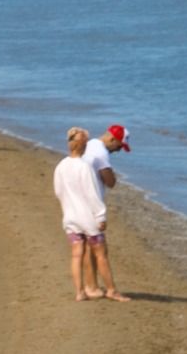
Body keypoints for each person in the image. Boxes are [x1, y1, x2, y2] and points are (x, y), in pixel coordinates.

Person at [54, 127, 113, 301]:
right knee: (101, 253)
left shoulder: (61, 165)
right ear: (84, 145)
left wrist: (67, 208)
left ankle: (80, 292)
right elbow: (92, 194)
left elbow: (58, 191)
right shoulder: (84, 167)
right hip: (87, 219)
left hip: (70, 217)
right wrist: (101, 216)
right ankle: (110, 289)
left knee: (76, 254)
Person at [79, 125, 131, 301]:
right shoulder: (101, 154)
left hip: (79, 201)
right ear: (112, 139)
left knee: (87, 247)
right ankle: (109, 289)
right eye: (118, 147)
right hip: (91, 205)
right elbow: (110, 181)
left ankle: (90, 285)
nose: (118, 151)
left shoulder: (90, 144)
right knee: (99, 248)